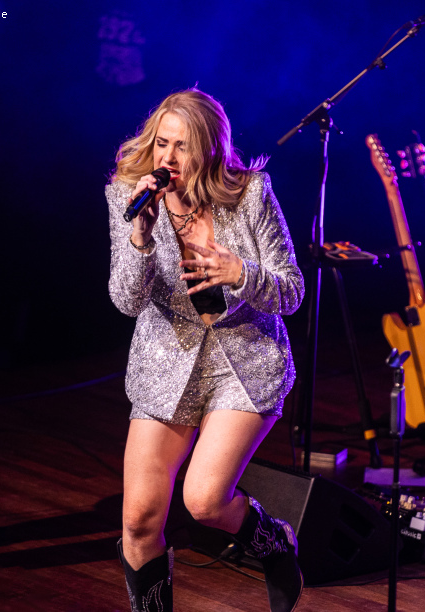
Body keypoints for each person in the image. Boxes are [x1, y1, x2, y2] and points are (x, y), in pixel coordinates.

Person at [106, 88, 305, 611]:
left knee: (204, 500)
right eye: (161, 144)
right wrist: (141, 239)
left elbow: (292, 290)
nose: (167, 159)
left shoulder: (251, 193)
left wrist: (243, 272)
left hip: (244, 362)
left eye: (182, 147)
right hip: (165, 365)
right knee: (139, 520)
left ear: (211, 149)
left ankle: (274, 542)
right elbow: (126, 300)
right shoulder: (129, 195)